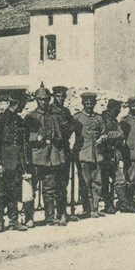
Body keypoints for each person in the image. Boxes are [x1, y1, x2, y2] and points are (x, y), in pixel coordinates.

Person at [0, 94, 29, 233]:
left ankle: (14, 221)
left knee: (14, 192)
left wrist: (24, 164)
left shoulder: (19, 120)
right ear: (16, 103)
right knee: (0, 193)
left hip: (16, 163)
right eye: (22, 104)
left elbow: (23, 143)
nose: (23, 107)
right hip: (3, 163)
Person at [24, 87, 65, 226]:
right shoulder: (30, 117)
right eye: (41, 100)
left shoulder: (53, 118)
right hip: (35, 158)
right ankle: (29, 218)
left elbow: (59, 137)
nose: (43, 102)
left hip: (51, 159)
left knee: (49, 190)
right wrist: (37, 137)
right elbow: (25, 138)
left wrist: (56, 146)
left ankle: (50, 217)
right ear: (36, 100)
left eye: (46, 100)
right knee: (31, 190)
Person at [72, 92, 106, 218]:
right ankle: (87, 208)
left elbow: (104, 132)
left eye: (91, 103)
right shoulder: (77, 117)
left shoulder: (99, 118)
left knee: (97, 183)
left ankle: (95, 208)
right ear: (83, 103)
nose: (89, 105)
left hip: (97, 154)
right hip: (83, 154)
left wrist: (102, 138)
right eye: (87, 103)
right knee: (84, 183)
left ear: (95, 103)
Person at [49, 86, 76, 223]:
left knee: (63, 183)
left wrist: (67, 129)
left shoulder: (66, 111)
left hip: (64, 149)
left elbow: (73, 125)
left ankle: (62, 212)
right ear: (54, 97)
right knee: (52, 184)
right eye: (58, 96)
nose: (61, 99)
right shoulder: (49, 110)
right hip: (53, 150)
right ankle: (51, 215)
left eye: (63, 97)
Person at [99, 99, 130, 213]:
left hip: (113, 154)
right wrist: (113, 135)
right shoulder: (102, 119)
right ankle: (108, 204)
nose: (118, 112)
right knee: (105, 181)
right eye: (117, 110)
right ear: (111, 109)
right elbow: (102, 134)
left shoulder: (114, 120)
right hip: (104, 154)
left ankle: (123, 203)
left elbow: (121, 133)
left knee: (120, 179)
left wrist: (110, 135)